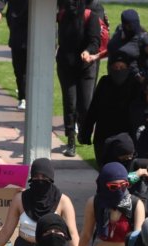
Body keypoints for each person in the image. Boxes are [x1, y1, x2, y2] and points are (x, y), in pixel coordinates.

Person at [56, 0, 101, 158]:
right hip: (66, 67)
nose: (71, 6)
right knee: (70, 104)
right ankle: (71, 141)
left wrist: (88, 51)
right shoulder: (61, 16)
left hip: (85, 67)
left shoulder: (91, 17)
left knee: (85, 105)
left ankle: (84, 133)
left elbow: (95, 41)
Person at [79, 54, 143, 163]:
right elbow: (93, 109)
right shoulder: (104, 82)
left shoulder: (135, 85)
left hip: (127, 138)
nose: (118, 71)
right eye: (115, 68)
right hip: (103, 136)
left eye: (122, 68)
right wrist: (86, 132)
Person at [106, 9, 148, 83]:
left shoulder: (143, 38)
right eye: (130, 26)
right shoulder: (119, 31)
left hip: (142, 78)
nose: (133, 28)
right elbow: (113, 49)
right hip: (125, 79)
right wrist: (96, 56)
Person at [0, 0, 28, 110]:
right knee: (19, 68)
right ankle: (22, 97)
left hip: (34, 24)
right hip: (17, 26)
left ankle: (27, 95)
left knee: (32, 69)